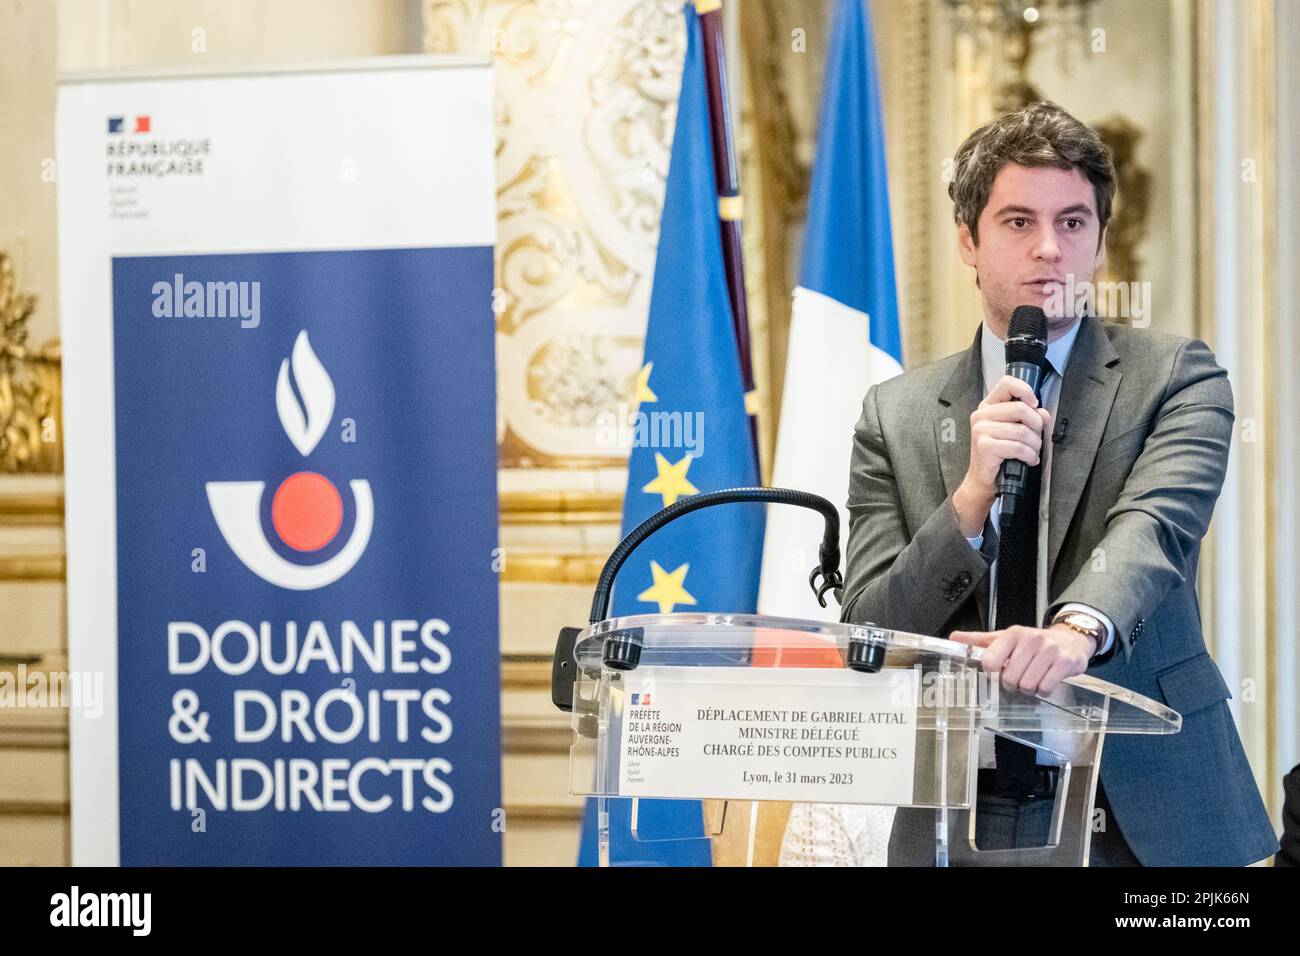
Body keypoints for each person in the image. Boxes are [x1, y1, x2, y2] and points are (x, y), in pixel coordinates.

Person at [841, 101, 1278, 867]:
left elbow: (1154, 529)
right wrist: (970, 499)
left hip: (1145, 807)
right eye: (1017, 223)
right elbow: (871, 632)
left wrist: (1072, 635)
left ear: (1102, 242)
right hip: (958, 808)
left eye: (1074, 223)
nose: (1050, 250)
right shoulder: (897, 413)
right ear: (968, 240)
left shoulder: (1176, 376)